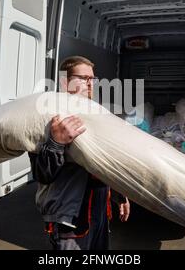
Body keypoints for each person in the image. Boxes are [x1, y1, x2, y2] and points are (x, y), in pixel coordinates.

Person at [28, 56, 130, 250]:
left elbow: (105, 160)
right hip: (70, 218)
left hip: (99, 211)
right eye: (83, 78)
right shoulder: (47, 116)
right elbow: (42, 174)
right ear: (65, 82)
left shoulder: (95, 113)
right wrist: (56, 142)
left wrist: (119, 194)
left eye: (92, 79)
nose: (90, 84)